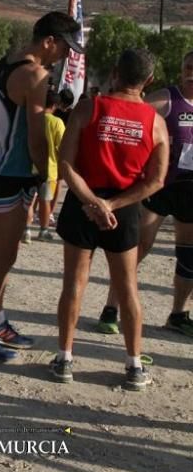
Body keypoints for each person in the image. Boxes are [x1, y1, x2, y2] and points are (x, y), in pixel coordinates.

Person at [0, 11, 82, 362]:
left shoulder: (5, 63)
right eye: (65, 48)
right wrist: (44, 174)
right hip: (12, 175)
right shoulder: (35, 75)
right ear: (49, 41)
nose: (66, 56)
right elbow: (37, 137)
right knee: (1, 258)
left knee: (3, 256)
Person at [51, 49, 167, 389]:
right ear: (148, 81)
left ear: (115, 72)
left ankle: (64, 359)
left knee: (74, 282)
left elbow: (66, 164)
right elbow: (156, 180)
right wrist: (113, 205)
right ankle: (133, 365)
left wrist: (94, 202)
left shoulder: (89, 107)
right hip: (124, 209)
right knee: (127, 287)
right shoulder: (155, 122)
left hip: (82, 204)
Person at [96, 51, 193, 338]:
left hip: (191, 190)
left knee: (188, 256)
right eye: (187, 66)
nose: (191, 72)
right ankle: (111, 309)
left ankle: (178, 314)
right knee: (137, 249)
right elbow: (126, 110)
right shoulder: (167, 99)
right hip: (159, 186)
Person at [23, 89, 65, 243]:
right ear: (54, 105)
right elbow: (62, 147)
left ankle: (26, 230)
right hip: (49, 169)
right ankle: (43, 230)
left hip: (29, 167)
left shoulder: (33, 119)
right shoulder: (57, 123)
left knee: (29, 201)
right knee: (45, 201)